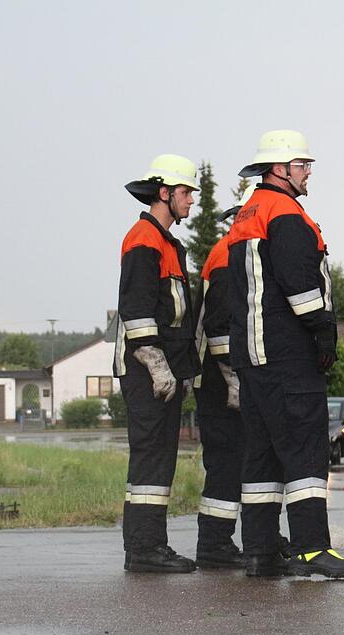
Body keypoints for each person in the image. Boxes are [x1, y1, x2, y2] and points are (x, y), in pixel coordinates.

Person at [226, 129, 344, 578]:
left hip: (253, 360)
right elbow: (301, 287)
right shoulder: (285, 214)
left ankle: (261, 552)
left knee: (261, 458)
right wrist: (324, 332)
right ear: (279, 170)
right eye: (303, 165)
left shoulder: (247, 216)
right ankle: (310, 549)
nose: (308, 174)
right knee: (305, 452)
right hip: (288, 359)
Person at [114, 154, 201, 573]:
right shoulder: (143, 240)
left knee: (159, 455)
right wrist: (156, 364)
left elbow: (176, 316)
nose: (191, 201)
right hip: (145, 370)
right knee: (150, 455)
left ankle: (150, 545)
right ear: (163, 193)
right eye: (185, 193)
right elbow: (136, 310)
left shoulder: (168, 243)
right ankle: (144, 549)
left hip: (163, 369)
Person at [189, 186, 255, 568]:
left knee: (238, 461)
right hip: (219, 383)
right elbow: (220, 329)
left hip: (220, 379)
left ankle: (227, 541)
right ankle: (214, 545)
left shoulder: (231, 252)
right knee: (228, 462)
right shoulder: (230, 256)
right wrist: (235, 383)